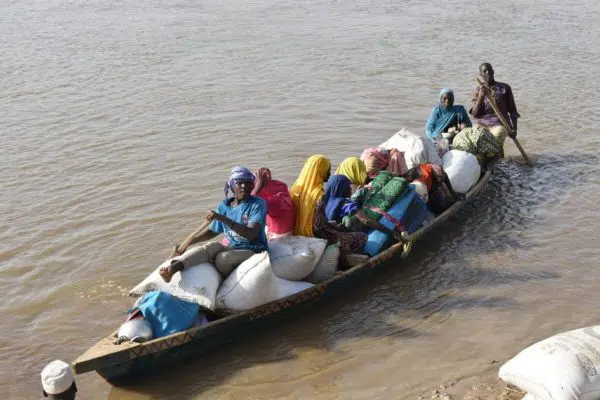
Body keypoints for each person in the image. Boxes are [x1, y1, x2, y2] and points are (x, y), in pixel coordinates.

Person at [159, 166, 268, 281]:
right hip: (232, 246)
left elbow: (250, 234)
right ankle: (173, 269)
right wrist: (189, 243)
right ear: (231, 185)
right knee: (211, 246)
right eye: (239, 183)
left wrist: (222, 218)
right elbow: (212, 231)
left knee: (222, 259)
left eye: (248, 182)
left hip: (254, 249)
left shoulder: (257, 204)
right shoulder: (224, 206)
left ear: (252, 185)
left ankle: (226, 282)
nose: (244, 186)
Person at [313, 174, 403, 256]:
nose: (350, 189)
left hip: (329, 237)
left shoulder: (323, 203)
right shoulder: (345, 204)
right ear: (341, 188)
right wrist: (390, 232)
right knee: (357, 228)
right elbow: (366, 220)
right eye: (347, 186)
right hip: (340, 238)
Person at [470, 62, 520, 144]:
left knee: (499, 133)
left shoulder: (505, 88)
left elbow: (513, 111)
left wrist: (514, 129)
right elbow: (475, 114)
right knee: (473, 134)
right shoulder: (478, 90)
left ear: (493, 71)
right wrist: (481, 96)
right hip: (482, 125)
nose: (488, 72)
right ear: (481, 75)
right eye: (485, 71)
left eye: (490, 70)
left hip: (499, 125)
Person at [290, 155, 332, 237]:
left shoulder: (296, 187)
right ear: (320, 171)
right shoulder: (319, 194)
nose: (330, 174)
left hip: (296, 232)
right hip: (312, 234)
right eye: (328, 170)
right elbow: (319, 225)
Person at [251, 167, 295, 239]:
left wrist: (256, 187)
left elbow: (252, 201)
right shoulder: (281, 188)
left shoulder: (273, 202)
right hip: (284, 228)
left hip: (279, 236)